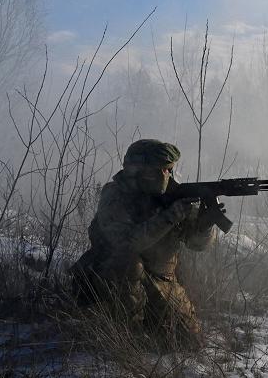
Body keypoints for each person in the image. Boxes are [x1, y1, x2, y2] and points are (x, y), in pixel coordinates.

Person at [72, 139, 216, 349]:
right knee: (128, 263)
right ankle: (125, 339)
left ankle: (149, 326)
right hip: (113, 279)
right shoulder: (115, 195)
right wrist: (168, 218)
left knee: (190, 343)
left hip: (161, 280)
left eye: (169, 170)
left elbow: (197, 245)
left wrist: (205, 225)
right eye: (162, 170)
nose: (167, 175)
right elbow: (127, 243)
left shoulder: (172, 195)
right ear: (140, 171)